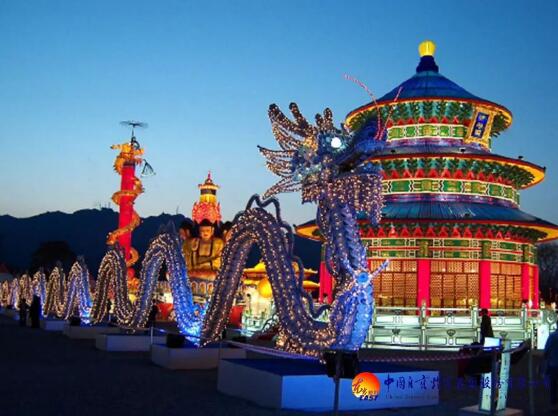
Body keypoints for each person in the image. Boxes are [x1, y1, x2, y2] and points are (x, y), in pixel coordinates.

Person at [545, 328, 558, 410]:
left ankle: (554, 406)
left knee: (554, 387)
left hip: (554, 365)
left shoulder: (552, 336)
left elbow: (546, 351)